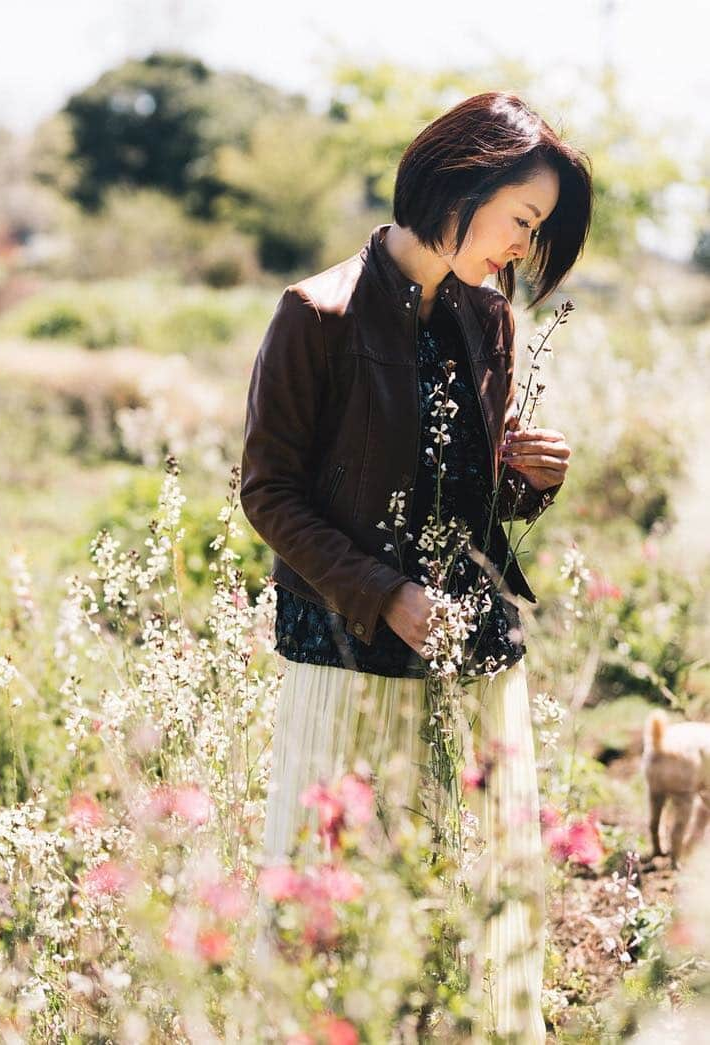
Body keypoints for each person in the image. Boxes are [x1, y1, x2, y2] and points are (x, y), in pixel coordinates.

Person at [240, 91, 593, 1042]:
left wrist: (524, 480)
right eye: (521, 219)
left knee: (460, 889)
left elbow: (467, 505)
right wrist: (381, 593)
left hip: (470, 649)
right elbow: (266, 493)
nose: (522, 248)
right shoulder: (314, 315)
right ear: (459, 182)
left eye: (539, 231)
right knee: (332, 895)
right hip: (344, 650)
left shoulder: (489, 319)